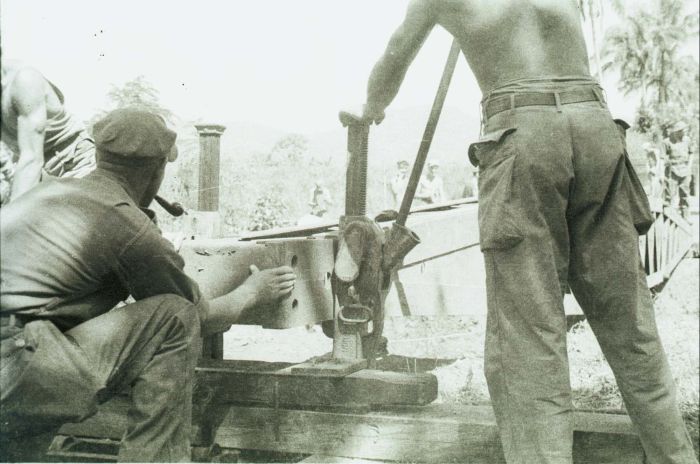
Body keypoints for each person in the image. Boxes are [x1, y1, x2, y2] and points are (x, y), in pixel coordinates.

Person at [356, 1, 697, 463]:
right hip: (596, 124)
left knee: (529, 340)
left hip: (524, 132)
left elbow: (396, 53)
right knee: (631, 324)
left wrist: (371, 107)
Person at [0, 108, 296, 462]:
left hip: (14, 358)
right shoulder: (126, 223)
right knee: (175, 317)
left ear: (98, 156)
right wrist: (251, 293)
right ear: (158, 169)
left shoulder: (47, 193)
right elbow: (200, 315)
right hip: (13, 366)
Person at [1, 60, 96, 204]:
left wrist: (11, 215)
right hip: (38, 173)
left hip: (73, 162)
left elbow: (32, 158)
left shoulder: (24, 81)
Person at [663, 120, 693, 218]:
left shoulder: (687, 140)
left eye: (684, 130)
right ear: (676, 131)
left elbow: (691, 153)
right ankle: (668, 216)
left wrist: (689, 166)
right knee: (670, 194)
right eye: (680, 130)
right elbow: (662, 157)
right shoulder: (667, 142)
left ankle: (685, 217)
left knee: (685, 193)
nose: (683, 132)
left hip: (685, 170)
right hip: (672, 171)